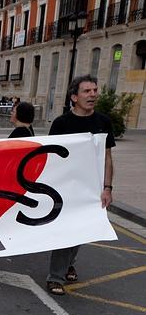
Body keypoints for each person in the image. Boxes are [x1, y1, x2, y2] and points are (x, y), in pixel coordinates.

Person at [45, 74, 115, 296]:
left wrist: (107, 188)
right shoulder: (61, 123)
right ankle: (55, 277)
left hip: (92, 188)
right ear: (74, 97)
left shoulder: (103, 122)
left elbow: (107, 157)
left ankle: (68, 264)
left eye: (95, 90)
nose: (93, 94)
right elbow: (52, 157)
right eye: (87, 91)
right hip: (66, 188)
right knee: (67, 231)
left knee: (82, 230)